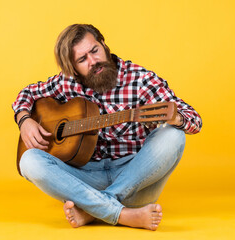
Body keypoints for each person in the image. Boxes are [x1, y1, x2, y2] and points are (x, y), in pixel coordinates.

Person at [12, 24, 202, 231]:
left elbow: (194, 119)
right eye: (82, 59)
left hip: (135, 180)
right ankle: (121, 213)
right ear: (73, 68)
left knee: (173, 135)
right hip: (86, 178)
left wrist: (177, 119)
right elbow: (27, 94)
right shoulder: (66, 82)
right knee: (29, 160)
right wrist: (24, 120)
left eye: (94, 50)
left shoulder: (140, 80)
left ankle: (94, 208)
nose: (93, 61)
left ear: (103, 44)